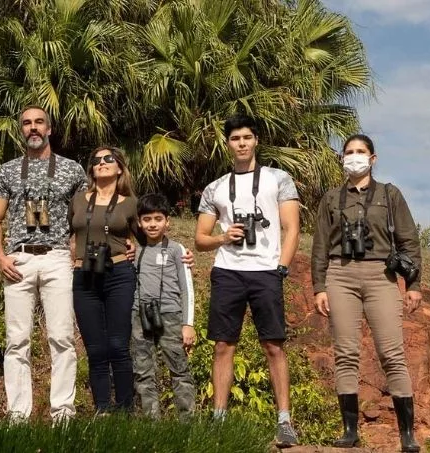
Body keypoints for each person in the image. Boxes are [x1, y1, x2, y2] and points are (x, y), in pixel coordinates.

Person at [195, 115, 301, 447]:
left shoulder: (278, 178)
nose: (241, 143)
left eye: (246, 137)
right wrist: (223, 237)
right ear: (227, 144)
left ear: (256, 140)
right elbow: (200, 239)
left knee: (274, 345)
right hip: (228, 270)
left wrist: (281, 267)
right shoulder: (215, 187)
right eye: (235, 138)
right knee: (223, 345)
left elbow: (292, 228)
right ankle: (218, 419)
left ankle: (284, 420)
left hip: (266, 271)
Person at [311, 134, 422, 452]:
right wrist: (319, 287)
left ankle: (407, 434)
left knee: (392, 354)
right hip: (340, 274)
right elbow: (320, 245)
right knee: (346, 353)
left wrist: (414, 285)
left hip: (380, 275)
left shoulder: (389, 194)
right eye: (349, 152)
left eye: (361, 152)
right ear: (342, 158)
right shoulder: (331, 198)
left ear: (373, 158)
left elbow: (409, 241)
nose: (354, 157)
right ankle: (350, 430)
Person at [0, 105, 85, 423]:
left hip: (57, 258)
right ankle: (18, 416)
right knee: (17, 340)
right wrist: (0, 257)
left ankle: (63, 415)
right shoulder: (8, 171)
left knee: (62, 338)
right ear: (21, 130)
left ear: (49, 129)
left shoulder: (72, 170)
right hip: (20, 259)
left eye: (39, 122)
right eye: (27, 123)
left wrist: (77, 253)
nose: (33, 127)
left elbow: (84, 218)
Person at [69, 146, 140, 414]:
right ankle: (101, 409)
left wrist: (180, 255)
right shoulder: (78, 200)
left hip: (118, 274)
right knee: (95, 349)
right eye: (96, 160)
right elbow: (65, 233)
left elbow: (148, 237)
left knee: (118, 346)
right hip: (84, 275)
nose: (101, 163)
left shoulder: (130, 202)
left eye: (108, 159)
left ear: (119, 167)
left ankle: (125, 410)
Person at [131, 193, 196, 419]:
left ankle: (187, 423)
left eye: (158, 219)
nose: (152, 224)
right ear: (139, 222)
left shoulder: (178, 250)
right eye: (147, 219)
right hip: (140, 316)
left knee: (179, 369)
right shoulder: (134, 250)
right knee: (143, 370)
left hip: (171, 315)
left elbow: (187, 288)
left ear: (167, 221)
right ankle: (152, 424)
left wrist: (188, 324)